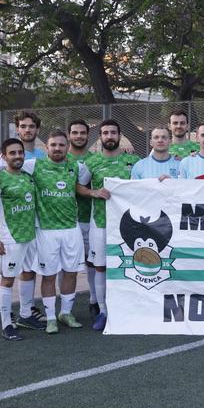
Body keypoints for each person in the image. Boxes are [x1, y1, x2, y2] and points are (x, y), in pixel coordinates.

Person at [0, 131, 90, 333]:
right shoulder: (34, 165)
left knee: (71, 272)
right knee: (48, 274)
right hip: (45, 230)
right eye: (53, 145)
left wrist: (94, 192)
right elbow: (5, 166)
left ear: (67, 147)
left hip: (71, 228)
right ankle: (50, 317)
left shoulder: (77, 167)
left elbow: (83, 185)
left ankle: (65, 313)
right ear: (46, 148)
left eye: (61, 145)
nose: (57, 148)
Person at [80, 120, 141, 331]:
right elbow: (78, 186)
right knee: (101, 266)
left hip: (129, 225)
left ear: (120, 135)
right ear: (101, 137)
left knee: (129, 265)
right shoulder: (92, 162)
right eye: (105, 133)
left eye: (113, 132)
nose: (109, 136)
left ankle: (128, 308)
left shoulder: (134, 161)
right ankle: (103, 311)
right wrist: (93, 192)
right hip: (101, 222)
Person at [0, 139, 39, 340]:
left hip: (30, 235)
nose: (17, 156)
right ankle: (6, 325)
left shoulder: (28, 174)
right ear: (4, 157)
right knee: (7, 279)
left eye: (20, 152)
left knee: (29, 273)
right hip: (10, 237)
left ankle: (25, 315)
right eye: (12, 153)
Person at [66, 119, 99, 318]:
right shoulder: (58, 157)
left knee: (92, 262)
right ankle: (64, 307)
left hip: (89, 219)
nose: (79, 136)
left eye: (82, 133)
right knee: (65, 264)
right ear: (69, 135)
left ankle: (94, 300)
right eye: (75, 132)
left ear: (88, 136)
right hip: (63, 222)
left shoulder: (94, 160)